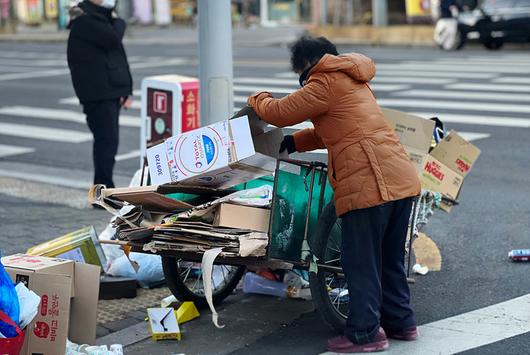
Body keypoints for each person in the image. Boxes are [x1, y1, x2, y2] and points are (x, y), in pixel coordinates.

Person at [239, 36, 421, 353]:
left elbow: (280, 112)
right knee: (389, 258)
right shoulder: (351, 78)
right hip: (400, 179)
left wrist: (257, 99)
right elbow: (336, 128)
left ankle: (365, 334)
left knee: (359, 261)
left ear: (309, 63)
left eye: (300, 72)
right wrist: (295, 143)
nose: (302, 79)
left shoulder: (324, 82)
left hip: (369, 184)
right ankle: (401, 323)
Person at [67, 0, 132, 190]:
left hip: (107, 91)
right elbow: (113, 39)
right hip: (98, 94)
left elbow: (112, 56)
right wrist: (119, 21)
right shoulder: (86, 21)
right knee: (106, 141)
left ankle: (104, 189)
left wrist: (124, 89)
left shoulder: (97, 18)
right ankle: (102, 191)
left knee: (108, 141)